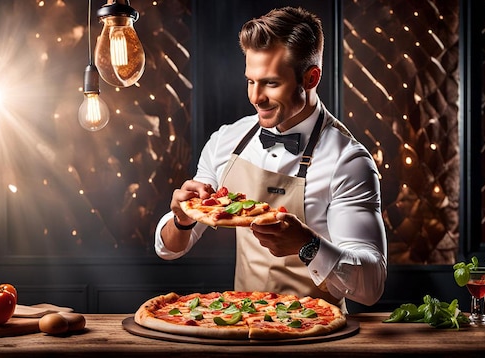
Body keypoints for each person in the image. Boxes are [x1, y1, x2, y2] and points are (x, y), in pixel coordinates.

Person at [154, 6, 387, 312]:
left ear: (311, 78)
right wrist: (183, 219)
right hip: (244, 328)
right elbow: (169, 250)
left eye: (271, 83)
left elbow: (371, 285)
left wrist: (308, 245)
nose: (255, 97)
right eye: (251, 81)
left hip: (316, 333)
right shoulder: (226, 141)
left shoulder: (348, 161)